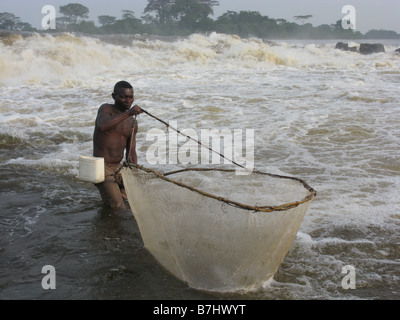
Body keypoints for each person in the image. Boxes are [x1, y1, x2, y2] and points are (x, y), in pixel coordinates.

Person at [93, 81, 143, 209]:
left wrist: (134, 172)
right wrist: (129, 113)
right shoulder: (106, 109)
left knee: (131, 202)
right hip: (102, 166)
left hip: (119, 168)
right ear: (114, 96)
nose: (128, 100)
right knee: (118, 206)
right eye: (123, 97)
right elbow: (102, 125)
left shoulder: (132, 122)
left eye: (131, 97)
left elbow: (131, 152)